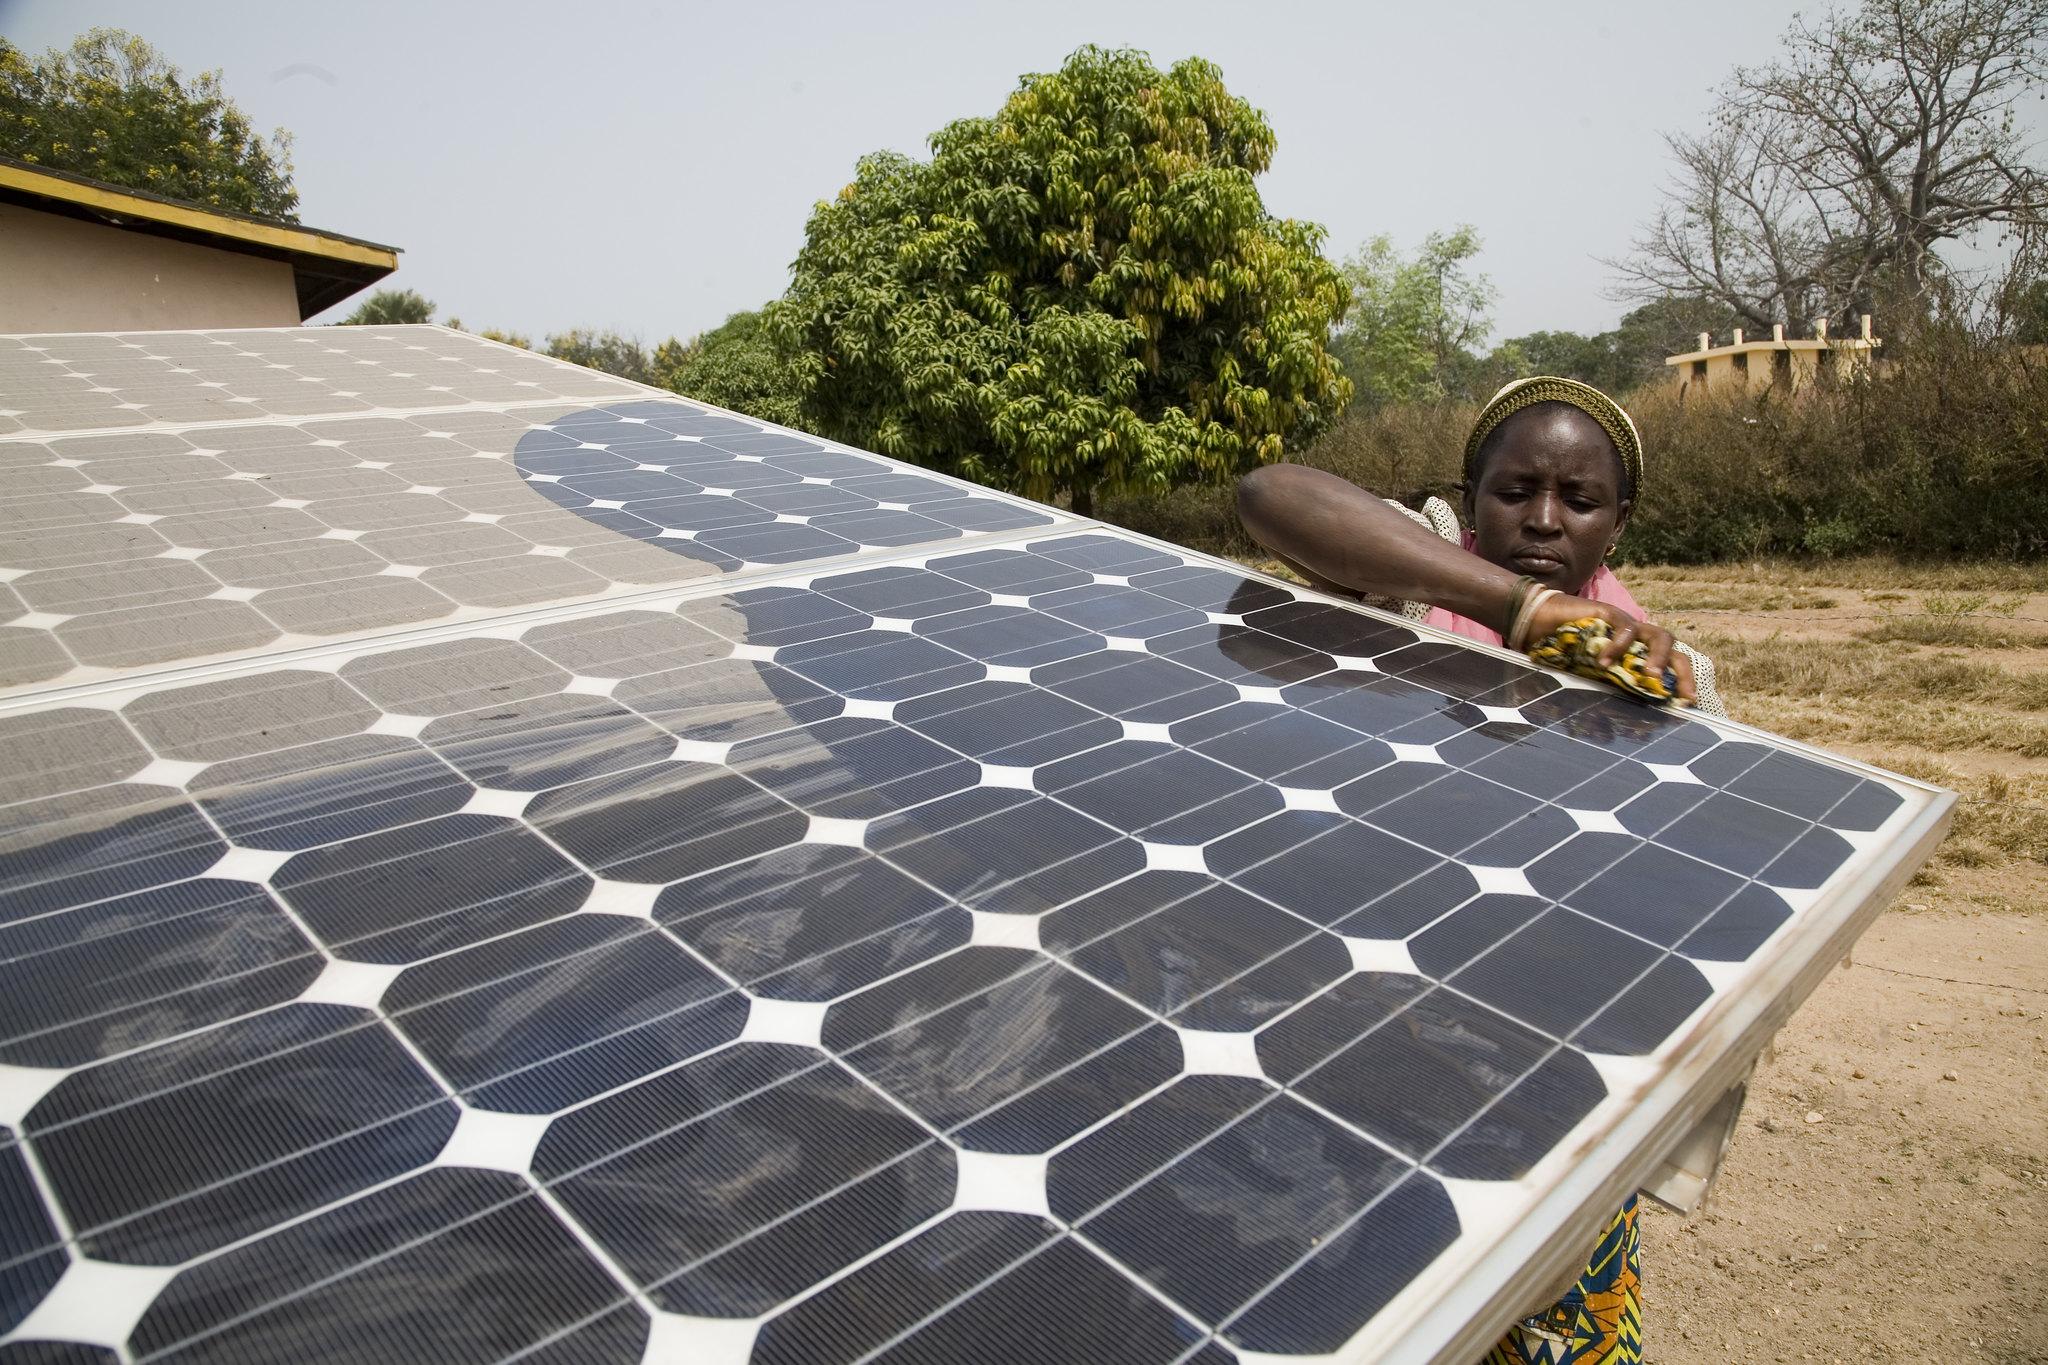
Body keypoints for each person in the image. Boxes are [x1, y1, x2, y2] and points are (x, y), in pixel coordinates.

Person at [1236, 376, 1724, 1365]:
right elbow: (1268, 494)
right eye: (1514, 490)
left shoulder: (1670, 681)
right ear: (1465, 502)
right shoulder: (1408, 589)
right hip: (1355, 1052)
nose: (1543, 518)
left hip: (1538, 1083)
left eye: (1577, 500)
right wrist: (1523, 612)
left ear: (1616, 524)